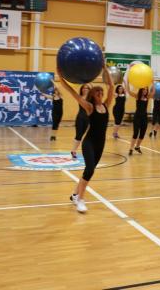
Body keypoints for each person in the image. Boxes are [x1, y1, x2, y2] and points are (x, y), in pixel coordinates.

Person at [59, 67, 113, 213]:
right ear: (92, 95)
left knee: (89, 171)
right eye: (97, 92)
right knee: (89, 169)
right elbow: (72, 93)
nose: (100, 94)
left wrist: (105, 69)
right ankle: (80, 200)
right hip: (89, 142)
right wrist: (60, 77)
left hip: (100, 144)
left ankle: (75, 195)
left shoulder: (106, 106)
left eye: (101, 92)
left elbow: (112, 86)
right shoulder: (89, 107)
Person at [128, 84, 155, 155]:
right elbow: (129, 91)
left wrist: (153, 83)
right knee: (135, 133)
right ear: (141, 90)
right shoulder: (137, 97)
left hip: (144, 117)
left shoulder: (147, 97)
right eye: (144, 89)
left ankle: (137, 147)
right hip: (137, 117)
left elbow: (153, 93)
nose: (145, 91)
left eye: (146, 89)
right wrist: (127, 82)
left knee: (142, 134)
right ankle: (131, 148)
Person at [70, 84, 92, 159]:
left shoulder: (91, 98)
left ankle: (74, 150)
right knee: (78, 135)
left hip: (88, 119)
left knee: (83, 136)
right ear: (81, 89)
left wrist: (88, 82)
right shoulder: (79, 97)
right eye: (84, 88)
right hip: (80, 118)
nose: (85, 89)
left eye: (87, 88)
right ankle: (73, 151)